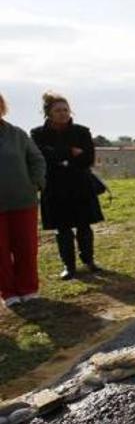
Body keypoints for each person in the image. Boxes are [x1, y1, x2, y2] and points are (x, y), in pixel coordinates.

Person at [30, 92, 103, 280]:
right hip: (54, 187)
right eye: (58, 110)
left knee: (84, 226)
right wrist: (70, 152)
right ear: (49, 113)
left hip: (80, 184)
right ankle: (68, 266)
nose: (63, 113)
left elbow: (87, 159)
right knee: (62, 229)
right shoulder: (37, 134)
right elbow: (42, 158)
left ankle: (89, 260)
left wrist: (59, 156)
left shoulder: (82, 132)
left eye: (65, 110)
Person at [0, 93, 46, 307]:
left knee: (26, 247)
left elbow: (36, 158)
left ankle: (28, 288)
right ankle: (8, 292)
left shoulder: (17, 134)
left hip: (22, 200)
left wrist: (36, 182)